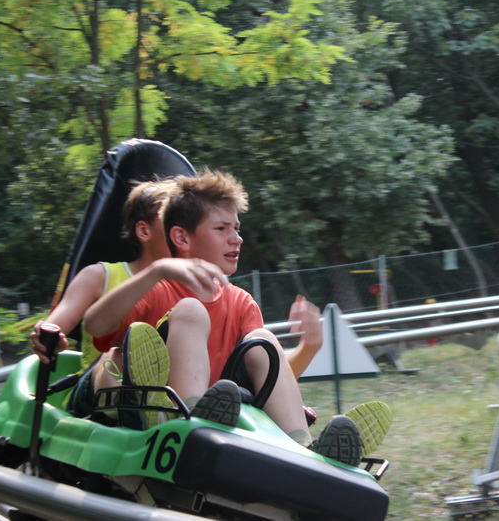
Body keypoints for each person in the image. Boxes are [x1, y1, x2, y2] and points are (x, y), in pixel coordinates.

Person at [83, 170, 363, 466]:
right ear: (181, 237)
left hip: (225, 408)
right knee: (190, 310)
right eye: (222, 228)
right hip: (163, 421)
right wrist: (156, 270)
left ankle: (303, 447)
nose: (237, 239)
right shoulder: (156, 289)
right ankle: (189, 417)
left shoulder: (240, 302)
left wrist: (309, 348)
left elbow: (268, 384)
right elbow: (95, 325)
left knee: (263, 340)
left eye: (237, 228)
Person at [30, 179, 172, 367]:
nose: (184, 231)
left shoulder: (195, 283)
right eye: (172, 221)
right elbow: (56, 326)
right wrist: (46, 335)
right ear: (144, 231)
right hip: (102, 382)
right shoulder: (98, 276)